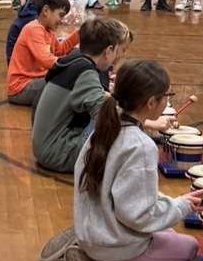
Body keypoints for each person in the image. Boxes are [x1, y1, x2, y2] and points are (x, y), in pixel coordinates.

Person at [40, 60, 201, 261]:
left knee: (169, 232)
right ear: (151, 102)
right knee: (190, 248)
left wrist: (174, 203)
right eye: (167, 95)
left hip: (93, 230)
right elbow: (137, 215)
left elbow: (122, 194)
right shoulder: (142, 146)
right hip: (117, 247)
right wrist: (180, 207)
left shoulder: (105, 128)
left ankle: (86, 243)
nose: (168, 100)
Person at [32, 17, 141, 174]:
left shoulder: (74, 60)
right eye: (120, 50)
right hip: (59, 153)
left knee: (110, 104)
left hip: (47, 148)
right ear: (108, 51)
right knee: (118, 122)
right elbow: (104, 113)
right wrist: (146, 120)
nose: (120, 56)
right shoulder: (85, 71)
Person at [7, 0, 80, 106]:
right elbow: (47, 60)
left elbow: (59, 51)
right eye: (60, 15)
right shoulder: (33, 29)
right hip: (21, 89)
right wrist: (73, 66)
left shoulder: (48, 30)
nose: (61, 21)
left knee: (77, 55)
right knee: (65, 81)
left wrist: (79, 34)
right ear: (46, 10)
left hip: (35, 81)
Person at [5, 0, 61, 64]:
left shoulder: (33, 10)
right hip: (21, 66)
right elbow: (45, 57)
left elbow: (57, 49)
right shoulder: (34, 22)